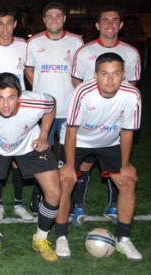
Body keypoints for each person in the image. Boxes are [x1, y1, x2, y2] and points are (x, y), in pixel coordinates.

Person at [55, 52, 142, 261]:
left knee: (128, 181)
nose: (110, 79)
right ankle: (61, 236)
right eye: (104, 74)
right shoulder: (82, 92)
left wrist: (125, 164)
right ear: (95, 75)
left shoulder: (133, 94)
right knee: (65, 182)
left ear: (124, 75)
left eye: (116, 74)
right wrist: (68, 164)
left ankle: (123, 239)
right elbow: (72, 131)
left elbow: (127, 132)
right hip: (79, 140)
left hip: (109, 142)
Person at [0, 72, 60, 263]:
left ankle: (41, 239)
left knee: (53, 192)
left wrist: (44, 134)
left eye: (11, 97)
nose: (5, 104)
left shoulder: (36, 102)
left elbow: (51, 106)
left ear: (20, 95)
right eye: (0, 98)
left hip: (29, 144)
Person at [70, 5, 141, 225]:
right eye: (105, 20)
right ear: (97, 25)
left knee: (116, 165)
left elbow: (132, 86)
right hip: (88, 119)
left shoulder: (131, 53)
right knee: (84, 164)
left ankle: (113, 205)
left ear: (120, 25)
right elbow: (77, 83)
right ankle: (78, 204)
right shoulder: (85, 51)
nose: (110, 24)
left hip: (114, 122)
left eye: (114, 20)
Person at [24, 1, 83, 218]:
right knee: (42, 156)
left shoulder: (76, 42)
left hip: (69, 111)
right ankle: (39, 194)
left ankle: (71, 197)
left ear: (65, 18)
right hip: (44, 112)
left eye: (58, 16)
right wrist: (41, 90)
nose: (54, 20)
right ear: (44, 19)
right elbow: (29, 70)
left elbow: (81, 73)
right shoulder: (35, 42)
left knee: (69, 158)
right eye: (50, 16)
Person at [0, 6, 32, 221]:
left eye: (9, 23)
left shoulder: (25, 46)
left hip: (19, 109)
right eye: (0, 23)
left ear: (15, 24)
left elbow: (30, 72)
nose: (5, 28)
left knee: (18, 157)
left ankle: (18, 204)